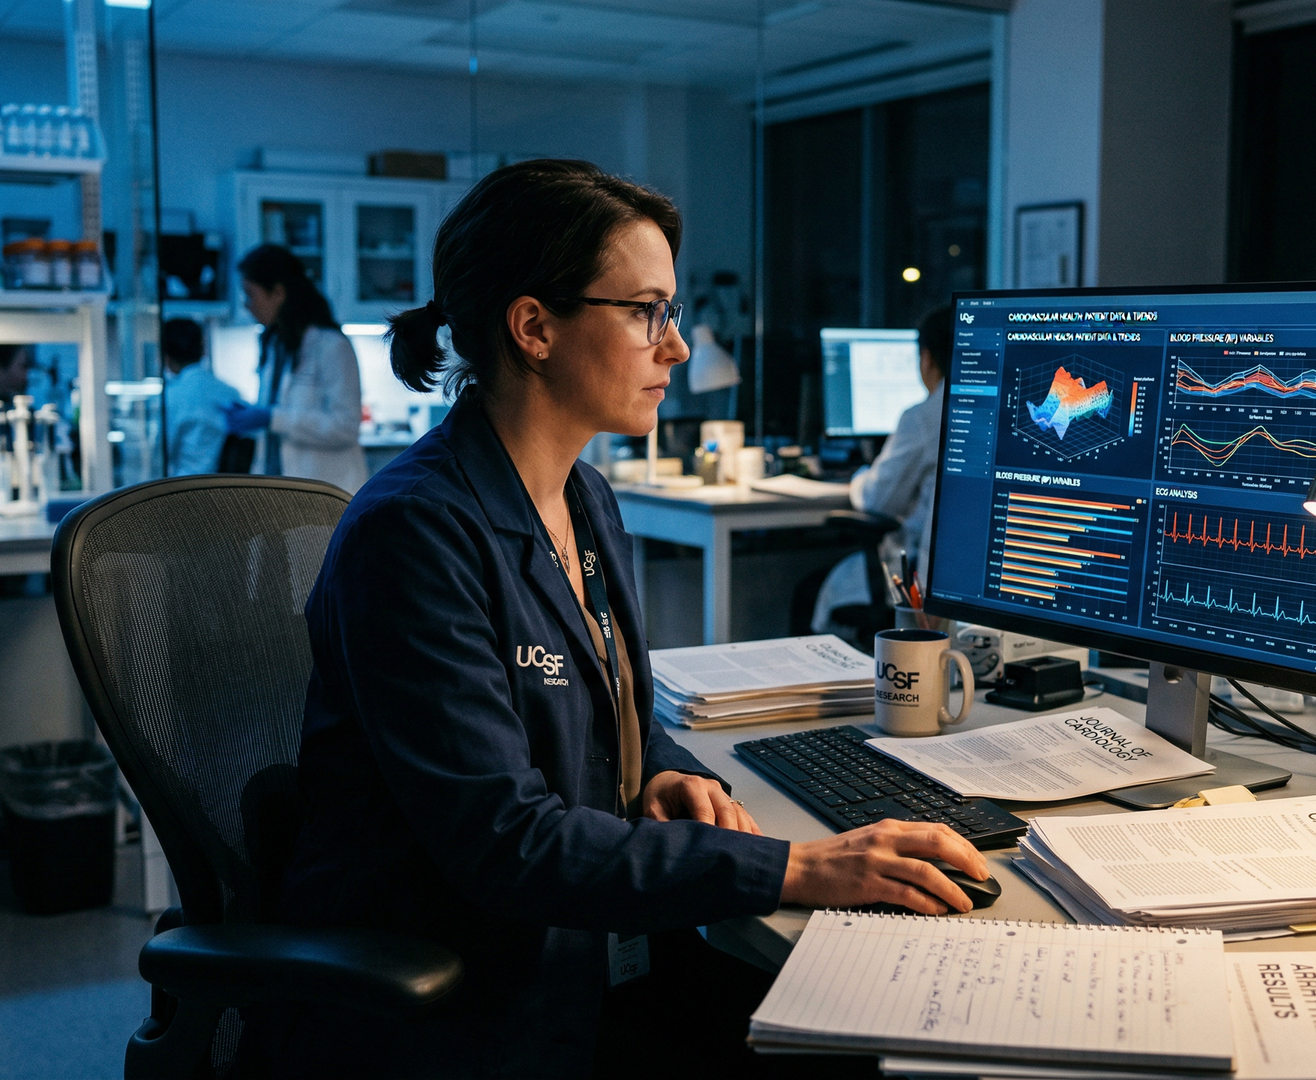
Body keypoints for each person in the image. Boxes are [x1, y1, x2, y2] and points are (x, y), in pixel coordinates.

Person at [244, 160, 989, 1079]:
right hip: (458, 1003)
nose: (674, 348)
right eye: (647, 312)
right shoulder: (413, 534)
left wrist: (659, 769)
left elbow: (598, 708)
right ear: (534, 328)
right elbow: (507, 843)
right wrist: (800, 867)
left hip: (577, 952)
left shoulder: (584, 496)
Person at [811, 306, 952, 634]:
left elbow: (878, 500)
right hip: (956, 578)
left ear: (927, 358)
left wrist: (860, 478)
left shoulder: (922, 418)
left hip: (915, 573)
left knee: (809, 590)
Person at [224, 244, 367, 494]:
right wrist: (258, 416)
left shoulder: (331, 345)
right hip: (281, 491)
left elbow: (345, 426)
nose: (247, 304)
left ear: (278, 293)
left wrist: (272, 417)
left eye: (250, 294)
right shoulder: (276, 344)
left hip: (327, 491)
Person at [160, 317, 243, 475]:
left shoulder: (171, 396)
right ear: (203, 349)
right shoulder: (231, 392)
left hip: (184, 486)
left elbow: (163, 451)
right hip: (225, 487)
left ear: (167, 357)